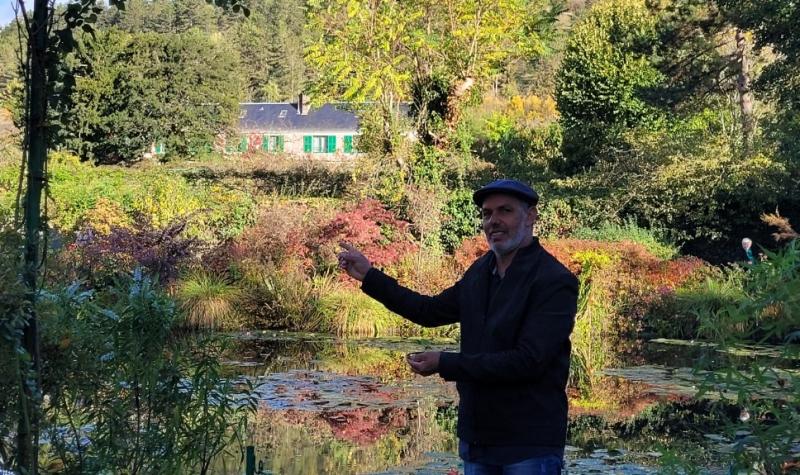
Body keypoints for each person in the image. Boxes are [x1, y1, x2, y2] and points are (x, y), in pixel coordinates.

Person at [337, 179, 578, 475]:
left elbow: (528, 361)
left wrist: (445, 363)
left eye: (505, 211)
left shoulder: (554, 280)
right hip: (477, 438)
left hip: (528, 442)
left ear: (530, 217)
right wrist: (370, 276)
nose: (494, 221)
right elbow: (429, 311)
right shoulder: (480, 272)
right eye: (487, 214)